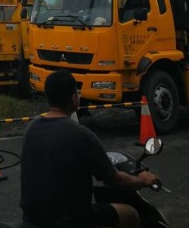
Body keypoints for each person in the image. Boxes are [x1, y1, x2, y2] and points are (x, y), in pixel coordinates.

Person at [20, 70, 158, 228]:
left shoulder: (32, 127)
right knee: (131, 214)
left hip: (32, 217)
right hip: (70, 220)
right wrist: (143, 181)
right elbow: (115, 180)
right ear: (74, 98)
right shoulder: (81, 134)